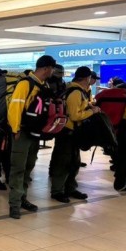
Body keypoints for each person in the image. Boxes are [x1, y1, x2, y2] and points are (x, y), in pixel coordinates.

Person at [7, 55, 57, 219]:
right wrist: (15, 130)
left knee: (28, 167)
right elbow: (15, 107)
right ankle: (14, 204)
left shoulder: (44, 84)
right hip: (21, 133)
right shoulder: (25, 83)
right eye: (52, 68)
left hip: (35, 133)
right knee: (18, 168)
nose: (52, 71)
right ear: (46, 68)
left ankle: (22, 199)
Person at [50, 66, 98, 203]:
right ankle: (57, 191)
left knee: (74, 162)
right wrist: (92, 112)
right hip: (67, 132)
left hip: (73, 133)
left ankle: (70, 188)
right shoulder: (76, 92)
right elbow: (74, 115)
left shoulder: (78, 90)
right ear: (87, 78)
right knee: (63, 162)